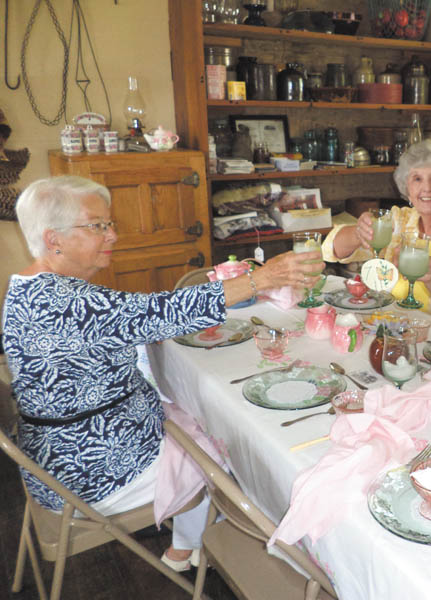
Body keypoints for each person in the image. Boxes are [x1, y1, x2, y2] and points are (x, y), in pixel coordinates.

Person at [2, 176, 324, 570]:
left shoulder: (28, 286)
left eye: (109, 223)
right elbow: (163, 312)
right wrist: (264, 278)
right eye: (97, 226)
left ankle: (185, 545)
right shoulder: (67, 303)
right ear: (54, 238)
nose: (113, 235)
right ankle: (234, 547)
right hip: (91, 471)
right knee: (233, 443)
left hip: (58, 454)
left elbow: (134, 320)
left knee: (205, 413)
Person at [321, 139, 431, 315]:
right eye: (417, 178)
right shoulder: (398, 221)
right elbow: (333, 250)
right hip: (387, 324)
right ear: (407, 190)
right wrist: (359, 232)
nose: (427, 188)